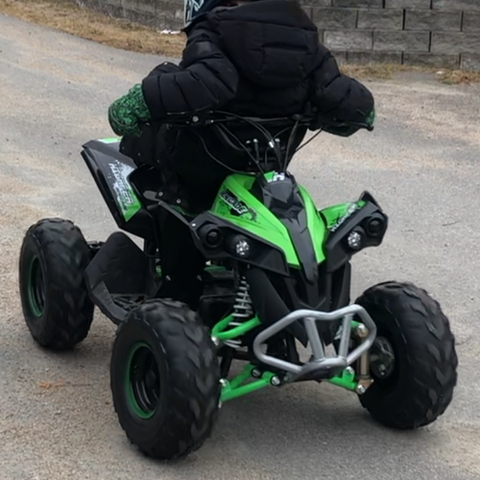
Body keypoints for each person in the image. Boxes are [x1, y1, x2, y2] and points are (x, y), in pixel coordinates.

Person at [107, 0, 375, 310]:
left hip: (202, 172)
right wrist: (357, 112)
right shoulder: (305, 38)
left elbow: (209, 82)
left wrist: (140, 100)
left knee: (174, 202)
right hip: (264, 168)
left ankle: (177, 295)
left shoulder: (214, 30)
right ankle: (304, 296)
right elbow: (341, 96)